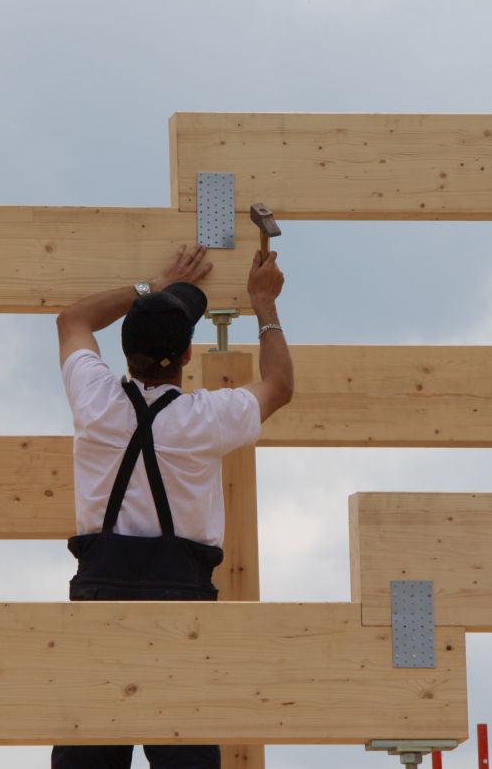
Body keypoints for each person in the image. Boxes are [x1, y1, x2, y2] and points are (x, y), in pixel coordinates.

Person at [52, 244, 293, 769]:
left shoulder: (94, 401)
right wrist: (263, 305)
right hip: (180, 604)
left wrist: (150, 288)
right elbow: (278, 386)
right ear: (188, 356)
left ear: (123, 351)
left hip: (99, 598)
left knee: (86, 759)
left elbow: (72, 319)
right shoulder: (206, 419)